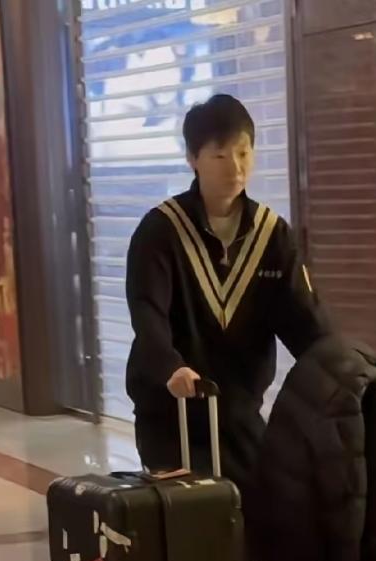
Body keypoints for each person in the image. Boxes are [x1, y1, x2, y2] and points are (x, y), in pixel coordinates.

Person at [125, 94, 330, 495]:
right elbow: (148, 315)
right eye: (220, 155)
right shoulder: (160, 231)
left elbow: (305, 319)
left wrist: (342, 368)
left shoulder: (272, 235)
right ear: (192, 158)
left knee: (249, 516)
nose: (235, 168)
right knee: (187, 519)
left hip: (239, 412)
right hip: (171, 413)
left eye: (243, 153)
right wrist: (170, 367)